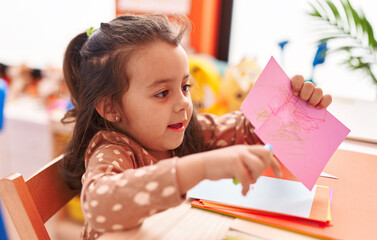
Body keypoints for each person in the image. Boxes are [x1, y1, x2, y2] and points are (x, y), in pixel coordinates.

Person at [60, 14, 332, 239]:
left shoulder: (185, 128)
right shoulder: (111, 149)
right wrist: (202, 167)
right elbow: (100, 206)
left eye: (185, 86)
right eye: (162, 93)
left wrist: (294, 107)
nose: (183, 104)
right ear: (111, 108)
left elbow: (245, 129)